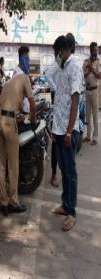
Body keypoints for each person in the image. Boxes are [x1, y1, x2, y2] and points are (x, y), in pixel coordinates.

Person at [51, 34, 82, 232]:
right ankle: (65, 204)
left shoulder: (74, 68)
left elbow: (74, 101)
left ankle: (72, 212)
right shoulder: (61, 68)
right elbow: (59, 99)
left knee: (70, 172)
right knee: (63, 168)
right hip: (59, 127)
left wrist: (70, 132)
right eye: (57, 52)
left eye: (59, 52)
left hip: (69, 130)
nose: (58, 55)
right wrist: (56, 129)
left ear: (66, 50)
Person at [0, 71, 36, 217]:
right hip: (9, 123)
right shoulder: (25, 78)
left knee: (1, 162)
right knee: (13, 164)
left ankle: (3, 201)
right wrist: (33, 121)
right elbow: (32, 103)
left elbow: (16, 105)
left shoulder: (10, 82)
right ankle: (13, 201)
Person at [46, 36, 65, 187]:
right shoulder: (58, 62)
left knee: (64, 142)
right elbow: (48, 75)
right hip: (57, 107)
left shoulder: (67, 64)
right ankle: (53, 174)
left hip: (66, 108)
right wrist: (57, 90)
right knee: (56, 142)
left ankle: (60, 172)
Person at [83, 42, 101, 145]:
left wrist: (92, 69)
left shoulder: (98, 62)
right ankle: (88, 135)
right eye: (93, 50)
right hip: (87, 90)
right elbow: (83, 75)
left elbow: (99, 76)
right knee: (87, 114)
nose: (95, 52)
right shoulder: (85, 61)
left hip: (94, 91)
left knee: (95, 114)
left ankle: (95, 138)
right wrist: (88, 69)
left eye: (96, 50)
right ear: (90, 50)